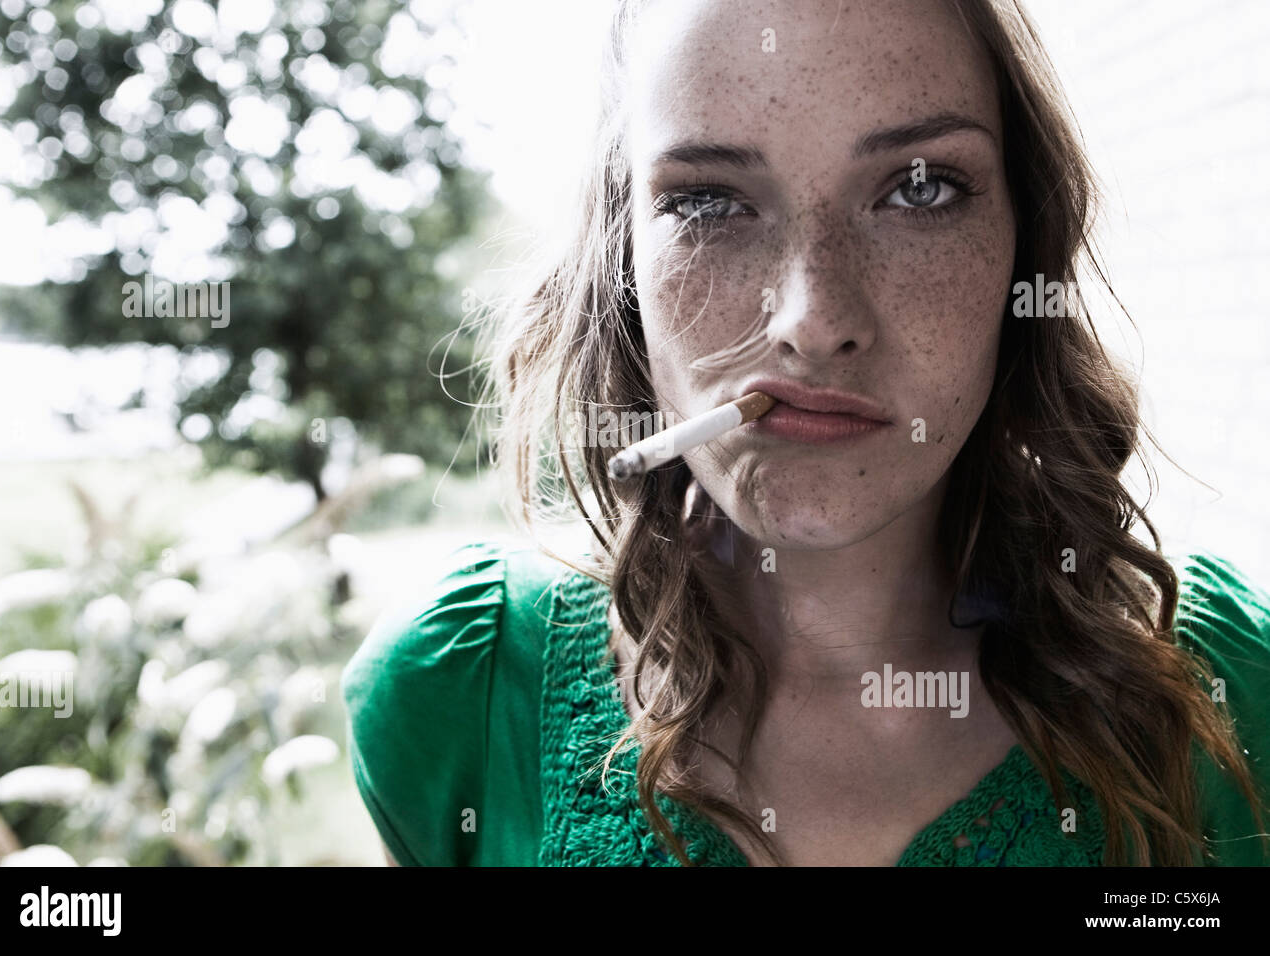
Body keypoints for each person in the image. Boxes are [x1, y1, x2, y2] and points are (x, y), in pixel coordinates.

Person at [342, 0, 1270, 866]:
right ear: (619, 258)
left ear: (1026, 242)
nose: (814, 318)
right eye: (710, 202)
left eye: (921, 189)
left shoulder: (1232, 694)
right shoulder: (461, 692)